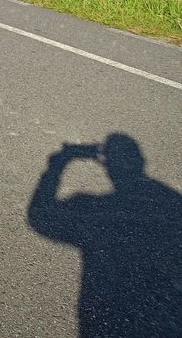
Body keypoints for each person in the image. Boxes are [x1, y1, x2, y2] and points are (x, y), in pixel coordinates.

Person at [28, 133, 181, 337]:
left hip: (106, 322)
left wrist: (60, 161)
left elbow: (41, 216)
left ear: (106, 165)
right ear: (141, 162)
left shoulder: (97, 212)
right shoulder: (172, 206)